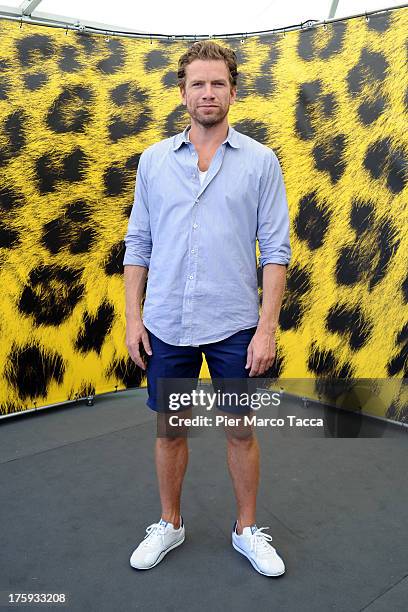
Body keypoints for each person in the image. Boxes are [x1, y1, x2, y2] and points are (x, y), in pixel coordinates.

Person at [123, 40, 291, 577]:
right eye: (198, 83)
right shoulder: (152, 161)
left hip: (234, 324)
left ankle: (246, 530)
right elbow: (138, 244)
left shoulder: (261, 162)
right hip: (167, 322)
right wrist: (132, 317)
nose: (208, 92)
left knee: (240, 427)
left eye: (218, 83)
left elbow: (277, 251)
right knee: (171, 428)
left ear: (234, 92)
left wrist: (266, 329)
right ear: (182, 92)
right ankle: (170, 523)